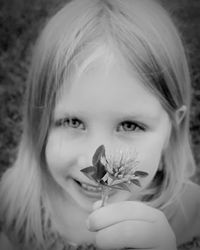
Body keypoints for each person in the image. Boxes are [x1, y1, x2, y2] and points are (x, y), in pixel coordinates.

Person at [0, 0, 200, 249]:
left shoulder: (191, 209)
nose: (98, 167)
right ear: (38, 124)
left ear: (172, 131)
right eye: (73, 121)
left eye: (130, 125)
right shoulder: (14, 200)